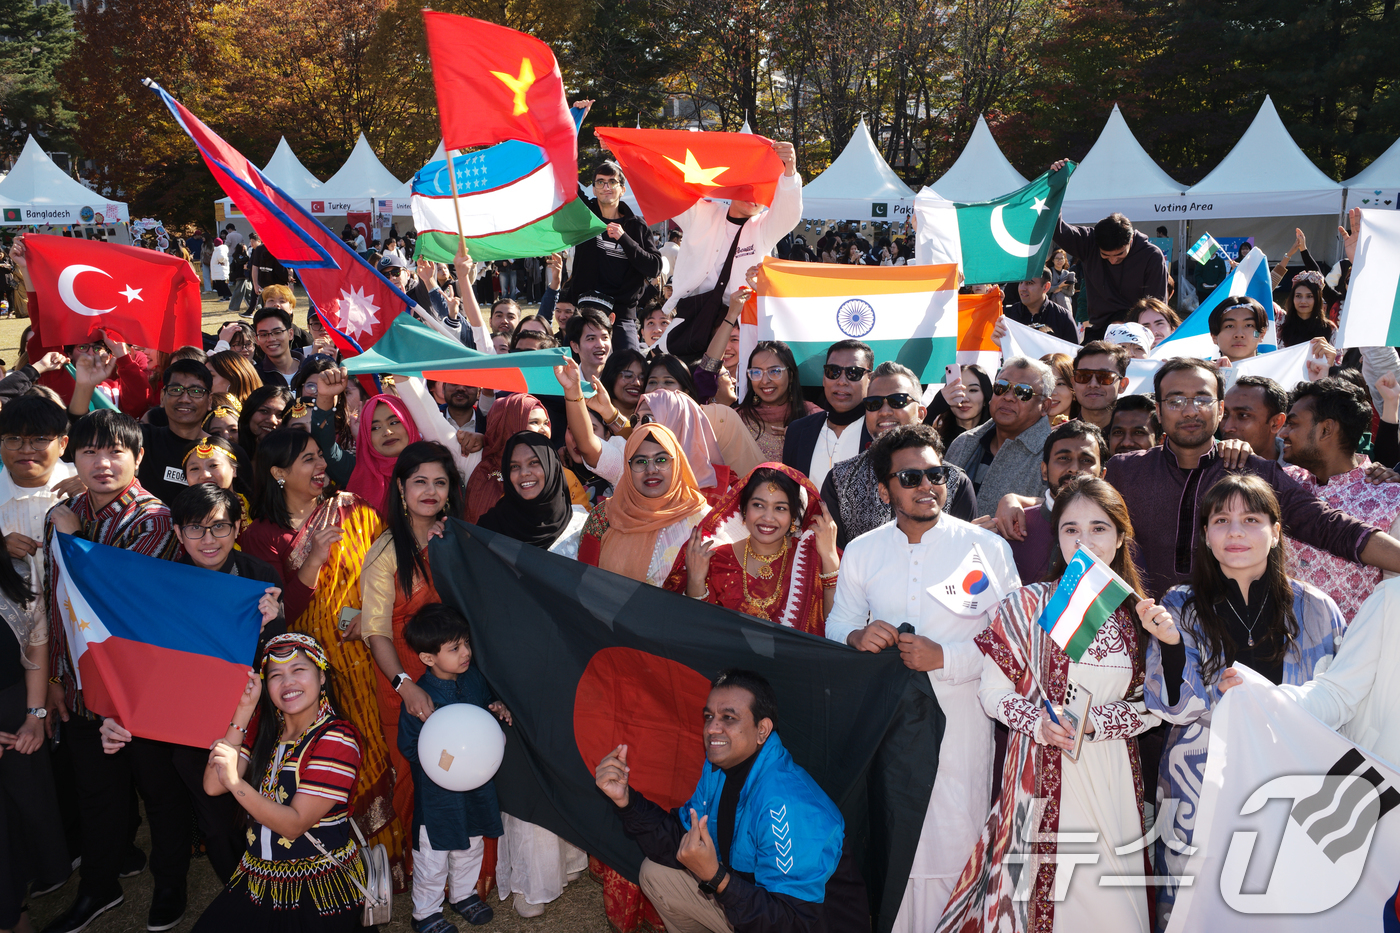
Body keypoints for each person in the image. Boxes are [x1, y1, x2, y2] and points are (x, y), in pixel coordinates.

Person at [937, 476, 1159, 933]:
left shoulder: (1139, 617)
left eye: (1098, 528)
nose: (1085, 540)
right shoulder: (1025, 605)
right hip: (1037, 770)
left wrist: (1097, 722)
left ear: (1120, 537)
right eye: (1071, 529)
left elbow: (1155, 705)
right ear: (1057, 537)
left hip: (1111, 775)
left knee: (1113, 907)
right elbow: (992, 693)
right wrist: (1038, 721)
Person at [828, 424, 1019, 931]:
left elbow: (1017, 647)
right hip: (888, 732)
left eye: (936, 473)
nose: (926, 485)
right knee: (896, 845)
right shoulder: (864, 551)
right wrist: (855, 638)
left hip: (961, 728)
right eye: (910, 477)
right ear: (884, 488)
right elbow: (838, 624)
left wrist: (947, 658)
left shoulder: (987, 550)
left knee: (955, 844)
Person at [1140, 474, 1343, 931]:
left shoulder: (1315, 608)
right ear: (1206, 536)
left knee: (1287, 904)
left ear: (1275, 533)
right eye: (1221, 520)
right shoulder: (1181, 604)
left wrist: (1273, 698)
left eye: (1251, 519)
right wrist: (1172, 645)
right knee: (1199, 906)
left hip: (1293, 783)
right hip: (1200, 784)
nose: (1235, 532)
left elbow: (1337, 703)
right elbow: (1169, 706)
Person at [238, 430, 407, 887]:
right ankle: (342, 866)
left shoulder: (353, 510)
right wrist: (312, 558)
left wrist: (366, 617)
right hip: (306, 675)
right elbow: (281, 613)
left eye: (320, 457)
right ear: (277, 473)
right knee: (328, 761)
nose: (321, 467)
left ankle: (389, 864)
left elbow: (383, 570)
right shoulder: (262, 536)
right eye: (307, 460)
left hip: (365, 653)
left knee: (376, 752)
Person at [41, 411, 183, 933]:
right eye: (90, 451)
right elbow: (56, 604)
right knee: (96, 794)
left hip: (141, 689)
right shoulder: (64, 511)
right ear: (73, 457)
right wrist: (57, 677)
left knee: (159, 791)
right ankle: (99, 887)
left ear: (139, 457)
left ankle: (170, 884)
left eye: (115, 451)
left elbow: (120, 604)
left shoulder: (154, 519)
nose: (103, 463)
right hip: (81, 687)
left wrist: (78, 542)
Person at [593, 669, 866, 933]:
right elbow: (679, 838)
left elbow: (793, 922)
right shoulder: (718, 770)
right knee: (657, 873)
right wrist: (626, 800)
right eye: (709, 716)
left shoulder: (787, 805)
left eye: (729, 718)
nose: (712, 728)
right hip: (754, 904)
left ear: (762, 730)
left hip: (805, 924)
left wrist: (716, 877)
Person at [1104, 357, 1400, 598]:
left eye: (1203, 399)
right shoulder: (1125, 472)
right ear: (1158, 410)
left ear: (1220, 409)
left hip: (1228, 643)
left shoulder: (1254, 472)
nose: (1191, 411)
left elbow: (1329, 526)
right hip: (1139, 634)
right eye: (1176, 401)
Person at [193, 634, 367, 933]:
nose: (288, 682)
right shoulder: (265, 732)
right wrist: (244, 710)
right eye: (275, 675)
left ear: (321, 676)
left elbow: (293, 824)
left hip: (318, 886)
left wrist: (236, 783)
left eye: (299, 670)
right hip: (257, 877)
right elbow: (212, 785)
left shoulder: (336, 739)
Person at [361, 441, 465, 841]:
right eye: (420, 481)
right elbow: (375, 631)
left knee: (461, 766)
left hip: (456, 674)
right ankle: (426, 870)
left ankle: (468, 872)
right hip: (402, 681)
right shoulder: (384, 551)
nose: (430, 491)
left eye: (440, 482)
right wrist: (405, 686)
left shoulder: (454, 538)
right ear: (401, 487)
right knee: (416, 775)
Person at [398, 606, 510, 930]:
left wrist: (496, 708)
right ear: (428, 658)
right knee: (433, 856)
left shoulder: (473, 678)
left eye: (466, 644)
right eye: (454, 648)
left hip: (476, 787)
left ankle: (463, 895)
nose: (465, 653)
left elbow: (483, 712)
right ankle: (426, 913)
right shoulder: (420, 697)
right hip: (437, 797)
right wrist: (446, 761)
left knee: (472, 844)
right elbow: (409, 745)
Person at [1279, 378, 1400, 623]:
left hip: (1358, 654)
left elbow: (1394, 600)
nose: (1283, 434)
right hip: (1279, 649)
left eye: (1292, 424)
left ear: (1326, 429)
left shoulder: (1390, 498)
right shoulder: (1282, 483)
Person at [669, 464, 840, 634]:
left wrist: (830, 559)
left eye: (780, 508)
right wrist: (696, 581)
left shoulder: (811, 559)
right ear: (743, 510)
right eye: (758, 505)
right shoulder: (716, 559)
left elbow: (836, 627)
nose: (767, 517)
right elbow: (697, 632)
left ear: (793, 516)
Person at [0, 510, 67, 933]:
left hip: (16, 714)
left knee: (27, 815)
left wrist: (34, 715)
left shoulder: (17, 572)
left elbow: (37, 646)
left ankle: (17, 907)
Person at [824, 363, 977, 548]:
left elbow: (964, 556)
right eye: (874, 403)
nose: (885, 411)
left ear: (921, 413)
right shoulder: (839, 480)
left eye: (898, 401)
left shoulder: (954, 482)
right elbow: (834, 557)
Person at [662, 140, 802, 324]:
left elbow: (789, 214)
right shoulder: (702, 213)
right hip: (693, 313)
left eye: (762, 192)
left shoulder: (763, 228)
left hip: (739, 319)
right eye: (749, 187)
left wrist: (790, 169)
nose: (753, 196)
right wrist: (624, 149)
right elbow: (665, 185)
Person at [577, 423, 710, 585]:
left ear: (677, 463)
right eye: (640, 461)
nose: (651, 469)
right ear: (628, 467)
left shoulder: (701, 520)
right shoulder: (604, 516)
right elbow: (584, 584)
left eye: (661, 460)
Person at [565, 158, 663, 352]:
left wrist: (624, 238)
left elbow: (654, 267)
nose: (606, 187)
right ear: (593, 189)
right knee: (577, 371)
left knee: (628, 369)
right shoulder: (585, 217)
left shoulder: (636, 226)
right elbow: (566, 182)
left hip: (622, 315)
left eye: (612, 182)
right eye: (600, 182)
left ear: (623, 189)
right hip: (586, 310)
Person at [944, 357, 1055, 516]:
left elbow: (1069, 509)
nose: (1008, 397)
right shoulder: (963, 442)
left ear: (1045, 406)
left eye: (1023, 392)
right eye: (1001, 387)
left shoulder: (1054, 455)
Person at [1004, 420, 1108, 584]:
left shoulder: (1115, 534)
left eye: (1086, 460)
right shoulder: (1012, 528)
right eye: (1064, 458)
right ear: (1044, 471)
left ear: (1102, 474)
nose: (1074, 468)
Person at [1052, 205, 1169, 342]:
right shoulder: (1089, 243)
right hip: (1098, 330)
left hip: (1135, 333)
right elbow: (1057, 229)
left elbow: (1156, 304)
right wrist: (1053, 193)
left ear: (1130, 241)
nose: (1113, 261)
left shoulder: (1151, 256)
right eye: (1106, 256)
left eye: (1120, 255)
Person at [478, 432, 589, 557]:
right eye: (514, 466)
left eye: (533, 462)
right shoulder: (488, 528)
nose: (524, 473)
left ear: (552, 467)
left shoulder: (582, 527)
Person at [780, 340, 872, 489]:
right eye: (833, 371)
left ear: (870, 380)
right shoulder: (797, 431)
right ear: (824, 378)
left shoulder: (880, 435)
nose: (842, 382)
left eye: (853, 373)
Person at [464, 394, 550, 522]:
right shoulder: (475, 461)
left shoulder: (557, 472)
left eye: (546, 423)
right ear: (509, 426)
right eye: (534, 422)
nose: (544, 430)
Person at [736, 341, 820, 463]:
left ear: (790, 375)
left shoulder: (814, 418)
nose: (764, 381)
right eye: (756, 372)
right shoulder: (738, 419)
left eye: (774, 371)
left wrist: (803, 440)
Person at [344, 394, 423, 515]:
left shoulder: (435, 467)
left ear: (408, 422)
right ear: (366, 436)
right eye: (375, 428)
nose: (387, 432)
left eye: (394, 422)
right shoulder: (360, 481)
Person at [1220, 374, 1286, 460]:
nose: (1227, 428)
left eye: (1243, 415)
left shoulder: (1302, 470)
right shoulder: (1205, 464)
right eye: (1224, 414)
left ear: (1276, 423)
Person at [926, 364, 993, 449]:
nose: (964, 398)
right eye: (957, 390)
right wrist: (933, 409)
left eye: (973, 390)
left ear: (985, 397)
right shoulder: (935, 439)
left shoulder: (996, 440)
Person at [1070, 340, 1129, 431]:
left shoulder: (1136, 439)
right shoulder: (1057, 439)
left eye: (1104, 376)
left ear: (1122, 385)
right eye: (1084, 376)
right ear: (1073, 383)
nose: (1093, 384)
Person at [1004, 270, 1078, 343]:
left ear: (1046, 287)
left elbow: (1074, 352)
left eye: (1029, 283)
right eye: (1021, 282)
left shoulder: (1063, 317)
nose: (1022, 288)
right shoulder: (1006, 316)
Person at [1278, 269, 1335, 347]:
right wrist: (1286, 258)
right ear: (1292, 298)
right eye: (1298, 296)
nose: (1303, 301)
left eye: (1309, 296)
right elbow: (1263, 292)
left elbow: (1338, 357)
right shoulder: (1280, 322)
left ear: (1317, 299)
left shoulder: (1330, 328)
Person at [253, 302, 305, 387]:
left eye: (277, 332)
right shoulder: (255, 377)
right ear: (257, 340)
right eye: (263, 334)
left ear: (290, 334)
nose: (271, 339)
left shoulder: (311, 369)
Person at [237, 384, 293, 460]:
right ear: (249, 413)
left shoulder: (293, 461)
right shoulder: (231, 456)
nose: (272, 420)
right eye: (264, 411)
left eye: (280, 415)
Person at [1209, 296, 1266, 363]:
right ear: (1214, 336)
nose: (1239, 335)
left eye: (1248, 325)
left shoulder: (1278, 369)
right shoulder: (1202, 372)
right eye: (1229, 326)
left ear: (1261, 335)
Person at [248, 234, 290, 301]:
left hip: (281, 283)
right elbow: (255, 267)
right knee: (267, 306)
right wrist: (255, 285)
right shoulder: (259, 249)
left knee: (282, 304)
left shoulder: (283, 248)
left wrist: (291, 283)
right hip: (265, 284)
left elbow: (290, 267)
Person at [1040, 353, 1077, 424]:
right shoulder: (1018, 431)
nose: (1051, 393)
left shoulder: (1087, 433)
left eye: (1060, 384)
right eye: (1045, 384)